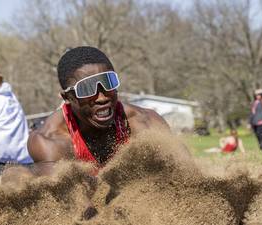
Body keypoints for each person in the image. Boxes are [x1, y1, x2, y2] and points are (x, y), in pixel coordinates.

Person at [27, 46, 172, 176]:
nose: (102, 98)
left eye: (108, 82)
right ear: (67, 97)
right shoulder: (49, 141)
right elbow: (70, 203)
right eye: (86, 89)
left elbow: (184, 174)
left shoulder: (145, 122)